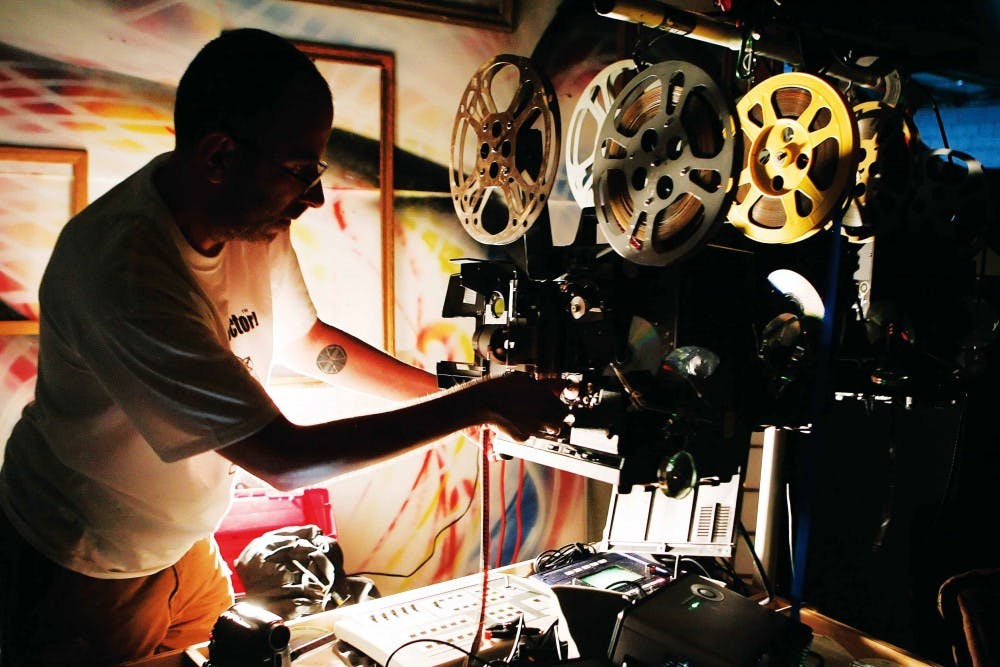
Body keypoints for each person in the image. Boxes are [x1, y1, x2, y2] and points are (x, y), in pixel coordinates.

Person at [0, 27, 568, 666]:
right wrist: (475, 407)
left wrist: (454, 391)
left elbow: (307, 340)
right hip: (86, 566)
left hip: (185, 548)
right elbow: (283, 458)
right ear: (219, 157)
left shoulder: (250, 222)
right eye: (300, 171)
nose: (315, 196)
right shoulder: (126, 269)